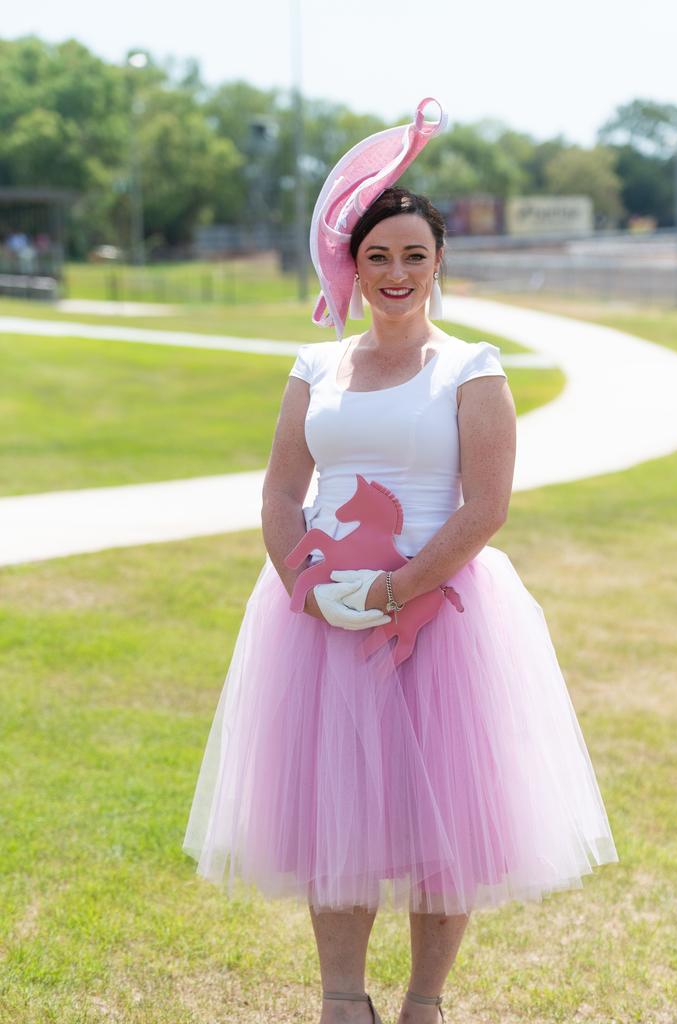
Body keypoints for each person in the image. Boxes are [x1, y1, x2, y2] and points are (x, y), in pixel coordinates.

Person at [183, 108, 618, 1024]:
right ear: (354, 263)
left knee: (442, 825)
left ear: (438, 266)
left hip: (440, 611)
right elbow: (278, 491)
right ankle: (344, 1002)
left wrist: (394, 590)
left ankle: (423, 1005)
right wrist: (307, 585)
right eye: (379, 255)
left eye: (415, 256)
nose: (395, 273)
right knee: (331, 818)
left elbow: (485, 508)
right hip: (321, 612)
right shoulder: (316, 366)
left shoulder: (471, 368)